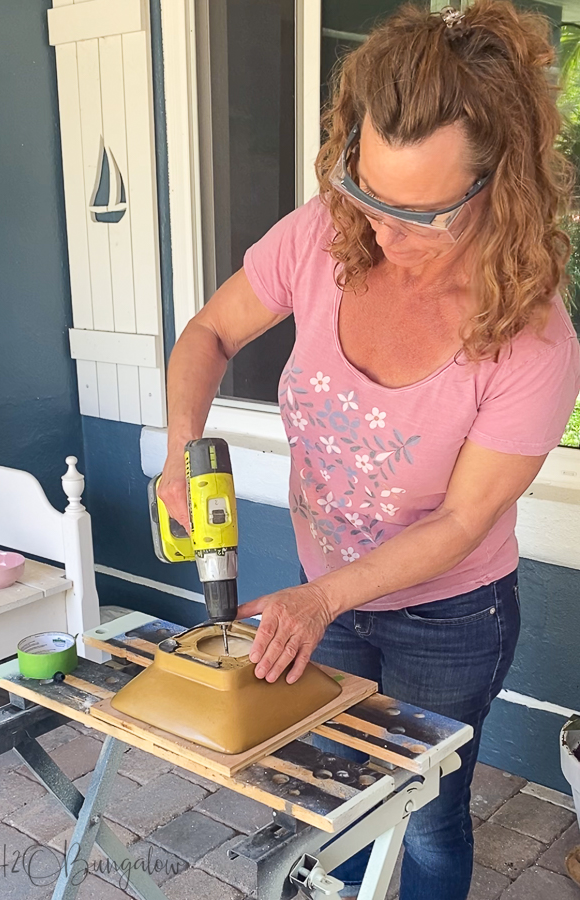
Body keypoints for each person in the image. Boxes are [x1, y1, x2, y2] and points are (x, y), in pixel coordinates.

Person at [158, 2, 580, 898]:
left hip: (449, 617)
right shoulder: (320, 236)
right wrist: (177, 447)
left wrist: (319, 598)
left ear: (496, 185)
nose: (383, 233)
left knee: (423, 813)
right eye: (369, 194)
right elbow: (206, 335)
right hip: (327, 593)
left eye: (421, 214)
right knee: (338, 789)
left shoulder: (532, 338)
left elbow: (467, 517)